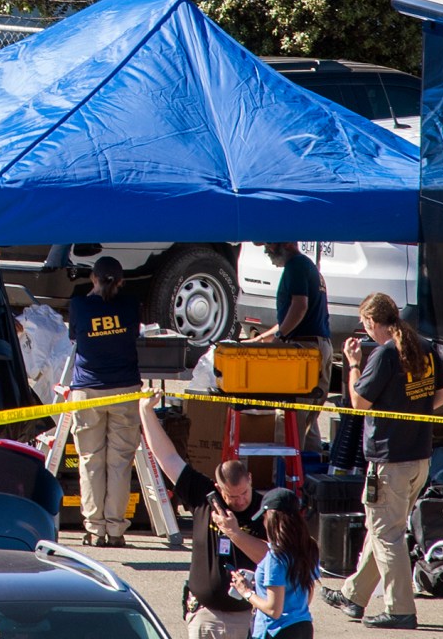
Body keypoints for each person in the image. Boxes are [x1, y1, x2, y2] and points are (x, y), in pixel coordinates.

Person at [326, 292, 443, 630]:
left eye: (365, 325)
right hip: (419, 457)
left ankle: (400, 609)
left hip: (390, 460)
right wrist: (416, 414)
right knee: (382, 529)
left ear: (372, 322)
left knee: (387, 534)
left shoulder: (383, 355)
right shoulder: (423, 347)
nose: (365, 332)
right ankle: (353, 596)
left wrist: (352, 363)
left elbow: (359, 403)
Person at [140, 394, 268, 639]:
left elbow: (269, 556)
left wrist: (234, 533)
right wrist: (145, 411)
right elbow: (167, 457)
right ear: (220, 489)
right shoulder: (205, 496)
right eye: (232, 496)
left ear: (250, 480)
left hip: (248, 614)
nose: (240, 501)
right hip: (204, 614)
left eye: (244, 493)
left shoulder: (265, 510)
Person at [65, 254, 143, 546]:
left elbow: (75, 335)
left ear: (93, 279)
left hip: (88, 390)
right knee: (120, 462)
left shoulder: (80, 305)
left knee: (90, 460)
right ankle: (116, 529)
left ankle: (95, 528)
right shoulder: (129, 305)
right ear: (121, 281)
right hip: (125, 388)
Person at [229, 495, 319, 639]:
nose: (264, 523)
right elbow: (307, 596)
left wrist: (246, 592)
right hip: (303, 627)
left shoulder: (275, 556)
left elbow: (273, 610)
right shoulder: (309, 547)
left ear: (271, 518)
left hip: (276, 631)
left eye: (264, 518)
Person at [255, 243, 332, 379]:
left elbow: (299, 307)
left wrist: (281, 337)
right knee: (311, 397)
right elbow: (291, 319)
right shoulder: (306, 265)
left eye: (270, 244)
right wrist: (260, 339)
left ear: (287, 244)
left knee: (300, 399)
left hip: (306, 347)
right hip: (318, 345)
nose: (267, 250)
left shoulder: (296, 266)